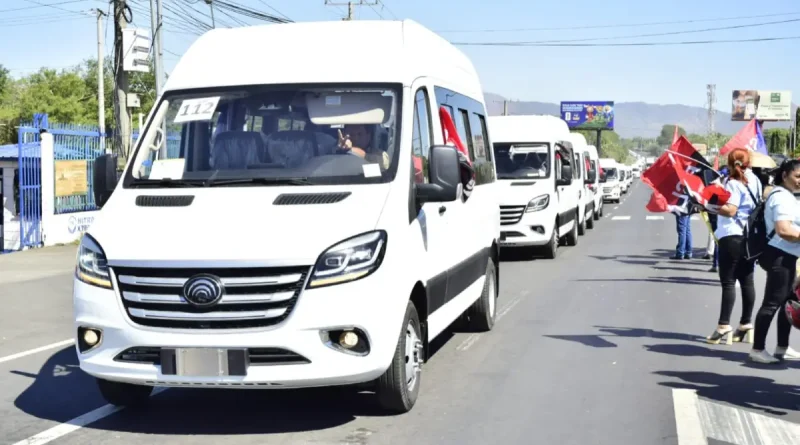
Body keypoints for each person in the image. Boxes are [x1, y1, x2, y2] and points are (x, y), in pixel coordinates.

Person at [706, 148, 761, 345]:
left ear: (730, 163)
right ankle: (746, 323)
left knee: (728, 282)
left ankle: (723, 325)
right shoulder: (755, 180)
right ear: (749, 162)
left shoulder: (734, 183)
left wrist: (709, 205)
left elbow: (731, 210)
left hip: (731, 235)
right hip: (749, 237)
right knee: (747, 281)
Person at [749, 159, 800, 363]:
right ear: (784, 175)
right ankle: (757, 349)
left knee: (789, 301)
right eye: (797, 176)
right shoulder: (781, 198)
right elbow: (784, 230)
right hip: (779, 255)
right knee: (772, 303)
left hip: (787, 255)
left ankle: (782, 347)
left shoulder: (788, 196)